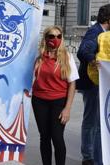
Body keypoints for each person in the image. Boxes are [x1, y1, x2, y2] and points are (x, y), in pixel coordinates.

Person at [76, 4, 110, 165]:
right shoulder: (95, 32)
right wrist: (94, 61)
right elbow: (83, 51)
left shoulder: (103, 31)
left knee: (95, 120)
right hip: (91, 82)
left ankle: (92, 153)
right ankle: (88, 156)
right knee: (91, 121)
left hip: (95, 82)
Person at [32, 26, 78, 165]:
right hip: (39, 101)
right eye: (52, 36)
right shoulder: (38, 56)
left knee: (57, 138)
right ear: (45, 38)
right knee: (44, 137)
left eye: (59, 36)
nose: (55, 39)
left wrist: (67, 109)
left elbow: (72, 84)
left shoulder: (67, 57)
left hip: (59, 102)